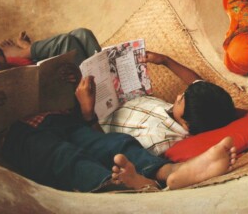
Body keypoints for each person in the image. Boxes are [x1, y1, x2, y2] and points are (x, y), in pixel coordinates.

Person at [0, 37, 237, 192]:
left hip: (63, 121)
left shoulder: (27, 74)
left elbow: (75, 111)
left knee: (114, 145)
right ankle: (112, 186)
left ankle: (172, 171)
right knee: (60, 155)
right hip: (21, 134)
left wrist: (67, 82)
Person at [99, 50, 238, 156]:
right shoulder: (196, 112)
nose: (178, 96)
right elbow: (197, 83)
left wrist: (89, 115)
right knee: (85, 37)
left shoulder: (160, 140)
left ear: (186, 125)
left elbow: (109, 149)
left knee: (80, 38)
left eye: (181, 99)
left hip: (96, 118)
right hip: (114, 98)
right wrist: (165, 60)